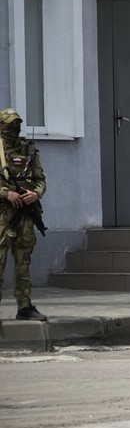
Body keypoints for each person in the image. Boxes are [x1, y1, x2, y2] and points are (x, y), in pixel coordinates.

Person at [0, 108, 47, 321]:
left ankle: (25, 306)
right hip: (2, 215)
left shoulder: (29, 150)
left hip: (25, 216)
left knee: (23, 262)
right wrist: (6, 193)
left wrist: (35, 194)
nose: (15, 128)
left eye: (17, 124)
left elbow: (40, 179)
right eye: (10, 125)